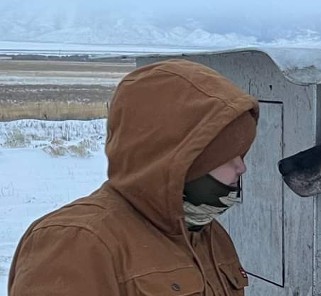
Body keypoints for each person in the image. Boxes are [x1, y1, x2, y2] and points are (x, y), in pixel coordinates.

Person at [8, 59, 259, 295]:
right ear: (176, 158)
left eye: (241, 154)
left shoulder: (206, 233)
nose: (241, 168)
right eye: (227, 157)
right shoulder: (77, 243)